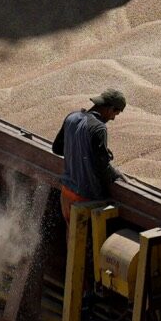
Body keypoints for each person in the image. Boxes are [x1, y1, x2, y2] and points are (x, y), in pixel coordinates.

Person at [52, 89, 127, 223]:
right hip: (84, 198)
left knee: (71, 235)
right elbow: (101, 166)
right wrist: (117, 176)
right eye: (116, 113)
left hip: (66, 191)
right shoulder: (99, 128)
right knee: (86, 241)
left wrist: (80, 151)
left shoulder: (72, 117)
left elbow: (57, 148)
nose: (113, 118)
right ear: (110, 108)